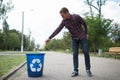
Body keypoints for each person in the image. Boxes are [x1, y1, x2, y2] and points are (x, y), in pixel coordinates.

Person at [45, 7, 92, 77]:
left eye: (62, 15)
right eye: (61, 16)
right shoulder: (64, 21)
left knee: (86, 52)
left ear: (67, 13)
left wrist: (86, 33)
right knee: (75, 54)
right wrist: (49, 37)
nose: (62, 17)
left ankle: (88, 69)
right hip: (74, 39)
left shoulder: (76, 17)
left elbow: (84, 23)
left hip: (82, 36)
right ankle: (75, 71)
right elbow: (58, 29)